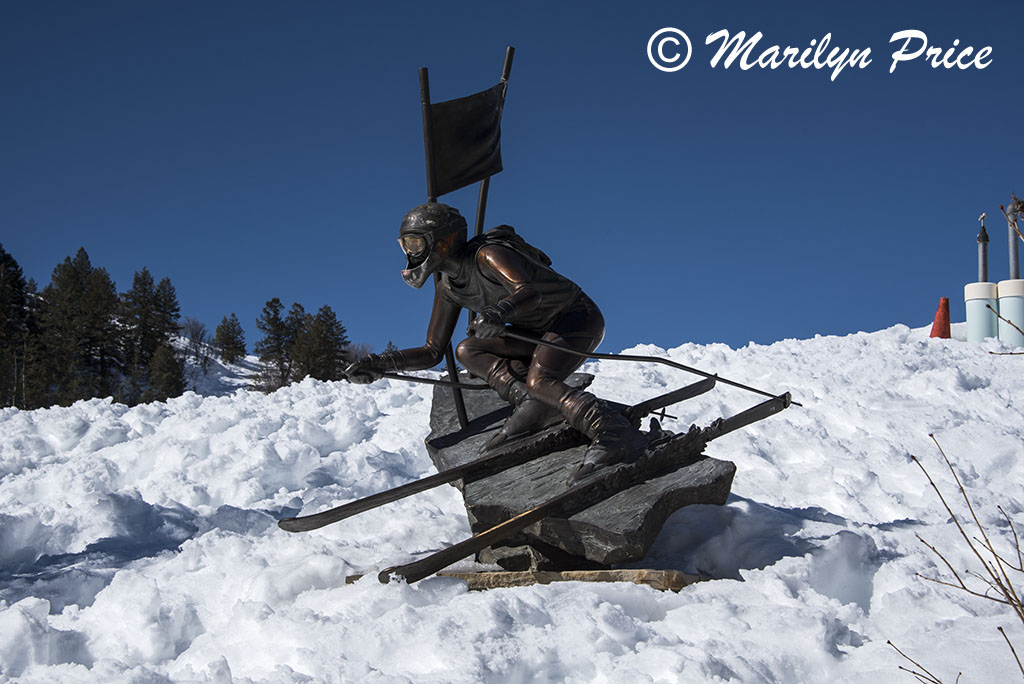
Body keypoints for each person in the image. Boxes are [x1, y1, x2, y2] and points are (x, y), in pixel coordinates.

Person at [345, 202, 645, 482]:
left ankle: (612, 430)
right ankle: (535, 406)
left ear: (443, 241)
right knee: (467, 349)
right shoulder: (447, 287)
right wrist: (381, 364)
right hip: (535, 334)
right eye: (405, 245)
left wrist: (500, 311)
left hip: (576, 318)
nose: (410, 253)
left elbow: (528, 292)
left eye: (416, 243)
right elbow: (432, 350)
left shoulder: (488, 255)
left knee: (540, 380)